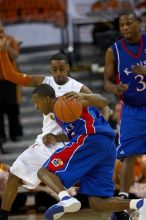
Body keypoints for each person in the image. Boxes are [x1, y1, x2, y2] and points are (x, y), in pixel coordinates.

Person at [0, 31, 111, 220]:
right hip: (47, 144)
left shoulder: (77, 88)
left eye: (61, 69)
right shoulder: (45, 82)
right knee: (13, 175)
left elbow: (103, 105)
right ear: (50, 70)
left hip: (72, 143)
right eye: (54, 70)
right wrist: (3, 52)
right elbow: (11, 75)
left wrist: (103, 122)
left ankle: (123, 208)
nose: (58, 73)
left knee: (91, 188)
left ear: (67, 67)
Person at [32, 84, 146, 220]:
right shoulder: (58, 114)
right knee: (97, 202)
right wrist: (56, 138)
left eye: (37, 102)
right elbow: (76, 131)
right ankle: (140, 204)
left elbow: (103, 101)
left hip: (91, 139)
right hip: (106, 146)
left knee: (44, 172)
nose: (36, 107)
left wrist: (83, 96)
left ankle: (66, 199)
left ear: (47, 99)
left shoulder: (67, 100)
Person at [104, 12, 146, 220]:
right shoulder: (114, 51)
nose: (125, 27)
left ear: (139, 23)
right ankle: (122, 199)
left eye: (129, 23)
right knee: (128, 155)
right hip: (131, 109)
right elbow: (106, 81)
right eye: (121, 24)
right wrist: (115, 87)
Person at [0, 23, 23, 145]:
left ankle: (16, 133)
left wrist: (6, 46)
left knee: (13, 108)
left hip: (10, 80)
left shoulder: (11, 39)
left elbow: (15, 56)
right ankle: (1, 136)